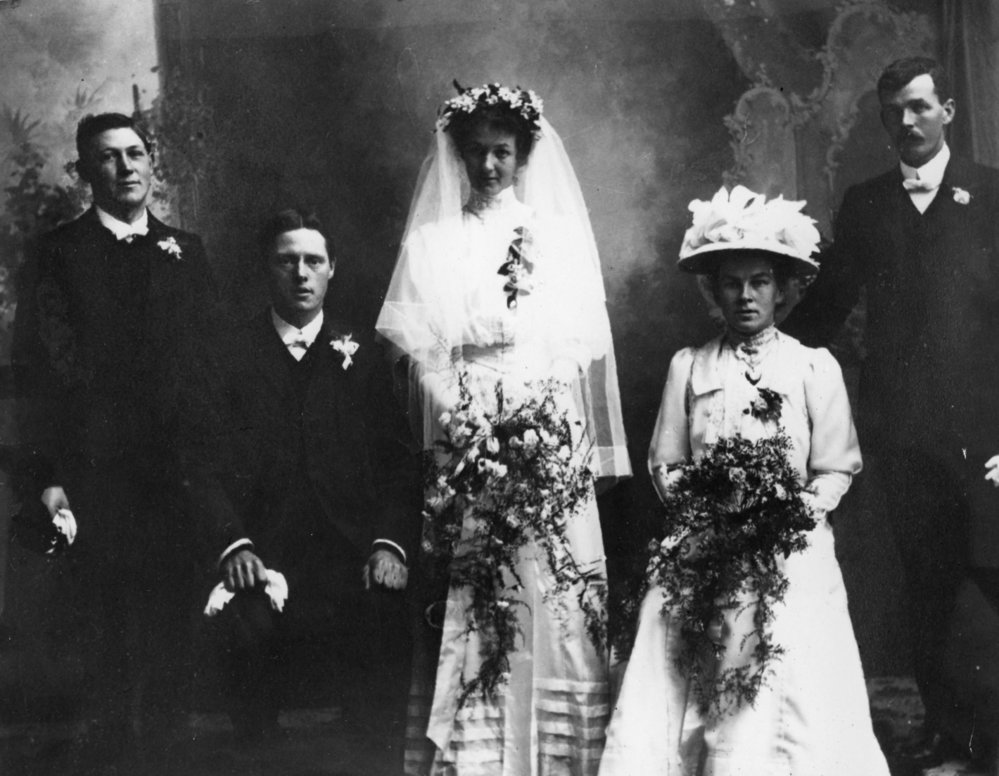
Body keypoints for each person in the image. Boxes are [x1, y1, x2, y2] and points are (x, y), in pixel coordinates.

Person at [376, 83, 631, 775]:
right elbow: (416, 348)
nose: (488, 166)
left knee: (551, 581)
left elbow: (577, 341)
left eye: (502, 152)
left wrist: (538, 412)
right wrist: (459, 414)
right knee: (476, 580)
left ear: (523, 156)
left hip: (543, 423)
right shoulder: (434, 240)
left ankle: (559, 755)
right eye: (476, 152)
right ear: (457, 156)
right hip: (464, 425)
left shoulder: (555, 236)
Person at [600, 185, 889, 776]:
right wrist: (708, 516)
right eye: (731, 283)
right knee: (684, 672)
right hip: (706, 546)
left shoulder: (813, 366)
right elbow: (666, 463)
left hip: (789, 548)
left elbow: (835, 467)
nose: (746, 295)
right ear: (715, 291)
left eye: (759, 282)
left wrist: (786, 518)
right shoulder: (690, 365)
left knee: (792, 680)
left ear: (782, 290)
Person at [782, 56, 999, 758]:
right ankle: (946, 732)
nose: (905, 121)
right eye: (893, 111)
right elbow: (828, 306)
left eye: (918, 106)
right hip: (902, 432)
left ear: (947, 111)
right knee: (927, 588)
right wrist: (758, 353)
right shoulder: (867, 203)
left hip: (987, 434)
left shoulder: (992, 194)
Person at [11, 112, 218, 768]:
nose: (125, 167)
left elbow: (209, 367)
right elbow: (42, 369)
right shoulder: (58, 252)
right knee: (103, 630)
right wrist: (47, 475)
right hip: (94, 470)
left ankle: (166, 757)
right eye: (108, 157)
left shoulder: (186, 251)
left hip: (174, 474)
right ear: (84, 172)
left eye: (135, 153)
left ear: (152, 163)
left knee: (171, 628)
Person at [184, 208, 418, 771]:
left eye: (314, 261)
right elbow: (199, 462)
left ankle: (371, 761)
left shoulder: (362, 356)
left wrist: (388, 544)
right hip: (263, 555)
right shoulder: (227, 353)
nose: (301, 274)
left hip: (348, 554)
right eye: (286, 261)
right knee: (245, 627)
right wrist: (233, 545)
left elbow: (399, 465)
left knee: (386, 613)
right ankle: (259, 757)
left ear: (333, 268)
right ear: (266, 269)